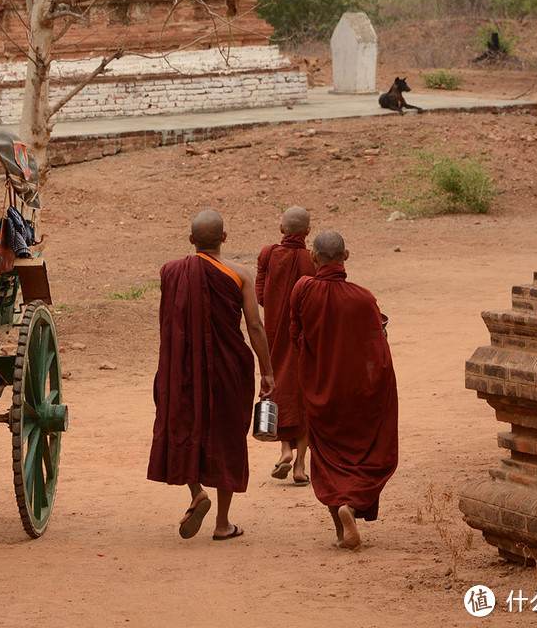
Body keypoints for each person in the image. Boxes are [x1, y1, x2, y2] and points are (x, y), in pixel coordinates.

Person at [147, 210, 277, 541]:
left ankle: (196, 493)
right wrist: (268, 371)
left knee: (182, 423)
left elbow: (170, 324)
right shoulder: (239, 274)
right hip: (229, 368)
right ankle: (222, 523)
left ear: (192, 241)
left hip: (184, 367)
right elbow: (255, 326)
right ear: (224, 238)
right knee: (227, 436)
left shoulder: (172, 273)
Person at [289, 231, 398, 550]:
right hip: (360, 393)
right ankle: (351, 507)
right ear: (345, 256)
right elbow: (379, 349)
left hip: (321, 388)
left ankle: (340, 525)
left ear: (314, 257)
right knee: (365, 454)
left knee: (327, 457)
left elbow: (296, 335)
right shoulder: (364, 298)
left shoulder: (303, 289)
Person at [255, 206, 314, 485]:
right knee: (303, 397)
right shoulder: (312, 259)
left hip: (273, 338)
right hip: (304, 339)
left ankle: (285, 451)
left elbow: (260, 296)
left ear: (281, 230)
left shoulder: (267, 254)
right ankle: (301, 465)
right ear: (308, 232)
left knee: (278, 387)